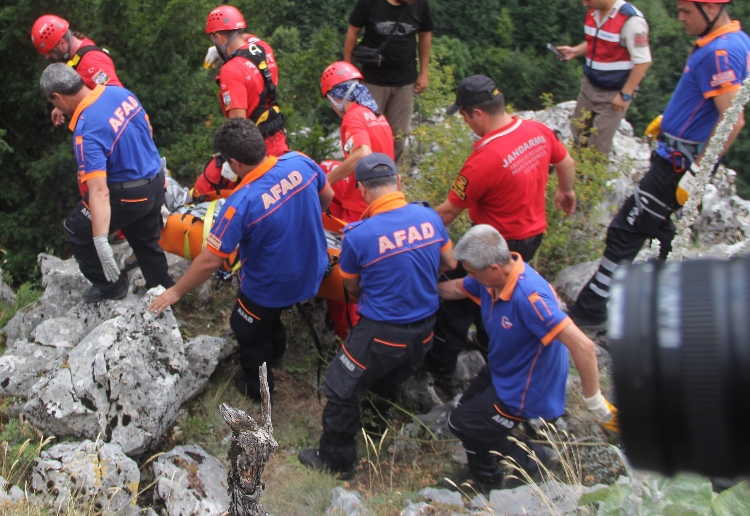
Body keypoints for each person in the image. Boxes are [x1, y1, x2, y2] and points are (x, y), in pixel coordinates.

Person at [568, 0, 750, 331]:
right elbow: (706, 104)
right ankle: (676, 291)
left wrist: (698, 170)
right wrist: (672, 121)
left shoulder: (720, 53)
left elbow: (733, 120)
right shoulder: (736, 41)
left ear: (710, 8)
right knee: (659, 224)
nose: (680, 17)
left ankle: (590, 312)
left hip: (678, 165)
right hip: (677, 155)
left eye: (686, 10)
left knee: (626, 230)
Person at [150, 118, 333, 400]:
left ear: (234, 163)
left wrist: (175, 291)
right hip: (314, 268)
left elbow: (211, 261)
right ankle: (277, 355)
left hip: (270, 287)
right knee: (269, 317)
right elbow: (327, 195)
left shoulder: (240, 203)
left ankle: (257, 389)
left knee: (246, 326)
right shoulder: (300, 162)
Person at [297, 154, 455, 479]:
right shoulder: (429, 217)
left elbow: (352, 287)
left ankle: (336, 460)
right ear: (398, 181)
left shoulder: (358, 235)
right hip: (426, 330)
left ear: (362, 189)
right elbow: (449, 263)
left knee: (341, 383)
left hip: (382, 331)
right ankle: (376, 426)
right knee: (388, 378)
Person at [439, 225, 618, 493]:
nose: (470, 277)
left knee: (467, 424)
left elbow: (582, 345)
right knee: (465, 418)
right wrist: (418, 290)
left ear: (494, 268)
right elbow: (455, 289)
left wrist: (594, 401)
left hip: (527, 384)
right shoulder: (490, 281)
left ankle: (528, 463)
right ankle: (483, 468)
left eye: (472, 272)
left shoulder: (530, 298)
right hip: (503, 367)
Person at [425, 75, 577, 384]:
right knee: (499, 292)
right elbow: (567, 163)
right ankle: (487, 342)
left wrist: (415, 230)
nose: (466, 123)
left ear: (477, 113)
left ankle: (440, 367)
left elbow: (449, 211)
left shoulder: (483, 160)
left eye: (465, 116)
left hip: (492, 245)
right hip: (532, 236)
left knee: (458, 303)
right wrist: (566, 190)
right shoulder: (537, 130)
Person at [40, 63, 173, 302]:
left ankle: (110, 287)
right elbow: (147, 129)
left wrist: (100, 240)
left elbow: (99, 191)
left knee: (76, 229)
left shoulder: (86, 131)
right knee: (146, 243)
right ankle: (165, 293)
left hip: (129, 195)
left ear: (58, 97)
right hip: (155, 181)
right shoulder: (117, 92)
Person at [191, 6, 288, 200]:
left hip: (254, 152)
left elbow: (239, 127)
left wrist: (231, 162)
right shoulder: (262, 48)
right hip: (277, 139)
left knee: (205, 188)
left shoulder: (231, 71)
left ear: (218, 38)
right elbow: (247, 38)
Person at [554, 0, 652, 154]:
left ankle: (592, 173)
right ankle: (575, 171)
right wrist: (575, 51)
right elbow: (597, 42)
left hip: (612, 93)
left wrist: (626, 94)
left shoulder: (630, 20)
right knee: (578, 134)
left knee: (598, 146)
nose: (584, 4)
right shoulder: (594, 14)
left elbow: (643, 61)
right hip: (589, 87)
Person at [345, 0, 434, 162]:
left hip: (405, 81)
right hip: (373, 80)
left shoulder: (421, 2)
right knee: (370, 133)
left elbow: (425, 35)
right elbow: (353, 32)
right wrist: (348, 70)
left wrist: (424, 72)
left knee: (399, 135)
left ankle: (390, 173)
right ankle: (366, 172)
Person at [320, 62, 396, 223]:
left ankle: (336, 229)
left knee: (321, 177)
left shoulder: (352, 117)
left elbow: (363, 153)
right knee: (326, 166)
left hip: (363, 202)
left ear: (336, 98)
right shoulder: (376, 114)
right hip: (387, 191)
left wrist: (326, 181)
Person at [32, 15, 122, 127]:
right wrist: (63, 105)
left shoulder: (91, 62)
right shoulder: (79, 54)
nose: (47, 56)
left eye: (50, 51)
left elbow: (118, 100)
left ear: (62, 43)